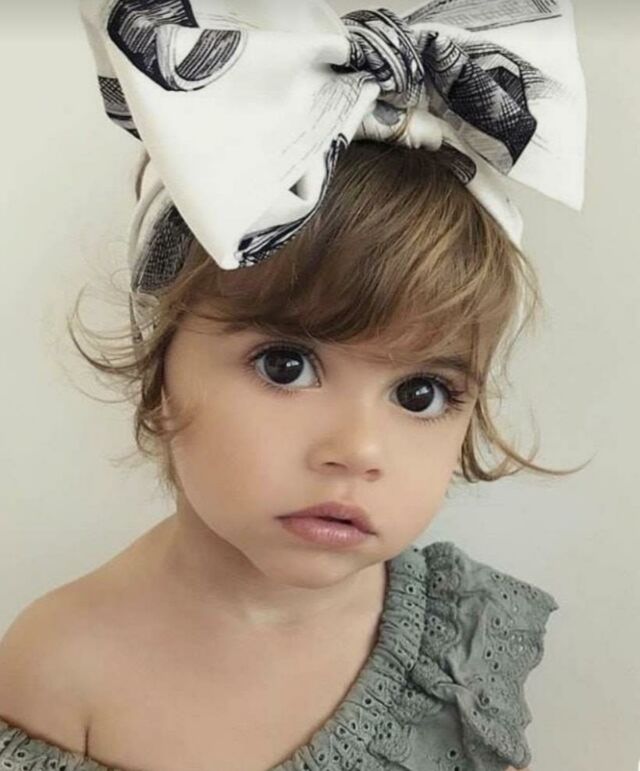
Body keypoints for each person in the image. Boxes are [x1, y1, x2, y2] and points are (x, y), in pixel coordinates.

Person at [0, 1, 588, 770]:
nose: (358, 448)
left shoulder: (461, 641)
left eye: (419, 394)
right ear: (160, 362)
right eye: (286, 365)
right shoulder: (59, 669)